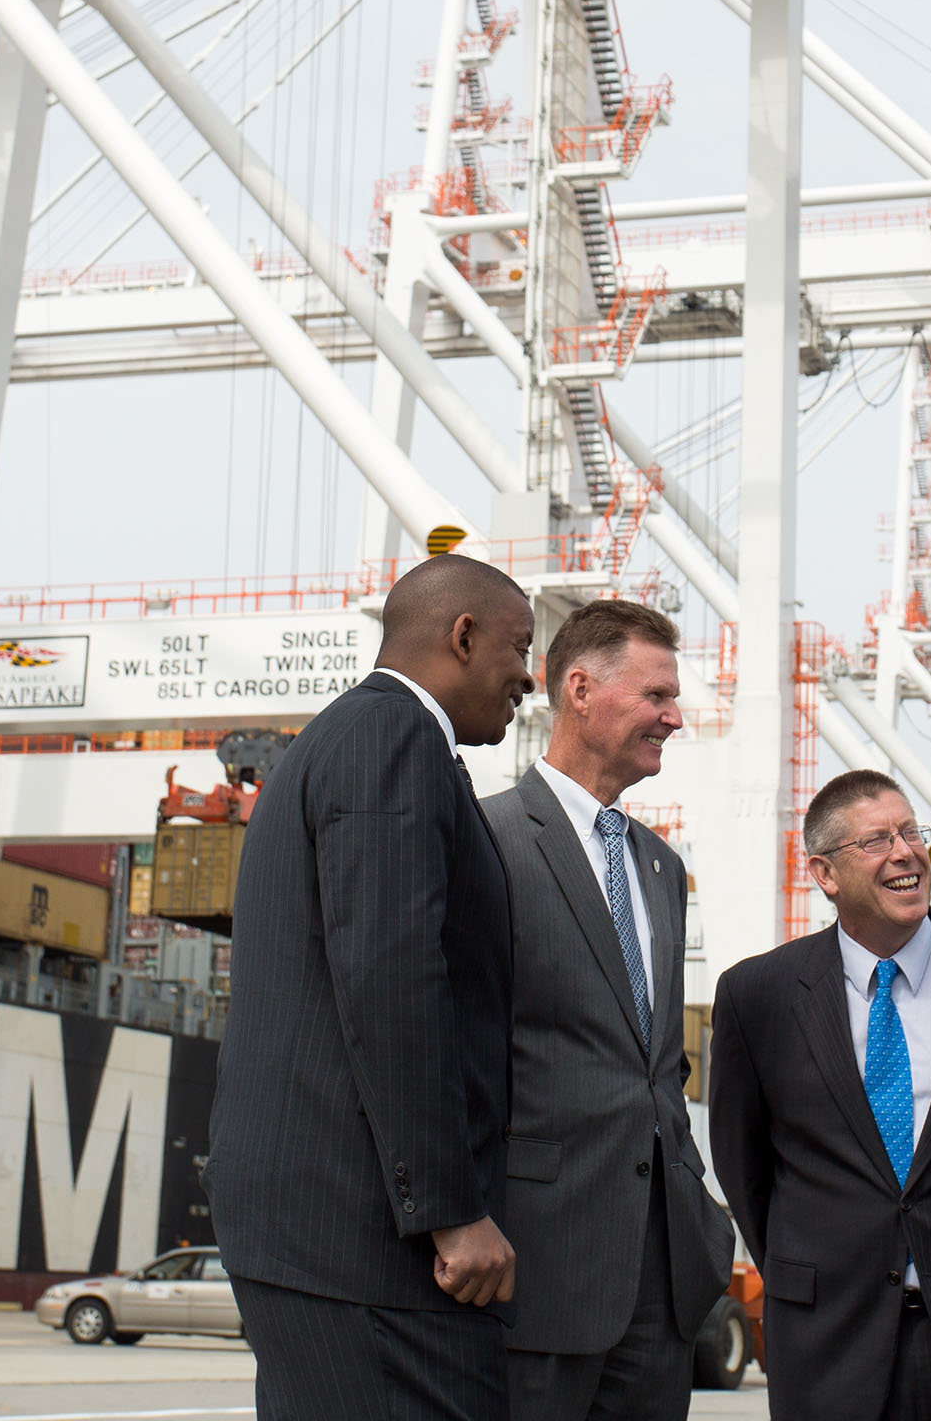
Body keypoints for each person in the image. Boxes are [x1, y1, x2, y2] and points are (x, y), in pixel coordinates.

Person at [207, 553, 535, 1421]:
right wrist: (449, 1210)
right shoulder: (392, 738)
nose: (527, 678)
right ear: (461, 636)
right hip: (367, 1245)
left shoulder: (348, 739)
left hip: (326, 1237)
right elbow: (392, 977)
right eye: (519, 646)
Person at [708, 770, 931, 1421]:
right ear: (825, 874)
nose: (907, 853)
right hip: (829, 1344)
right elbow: (748, 1173)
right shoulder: (757, 997)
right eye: (877, 841)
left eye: (912, 833)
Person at [480, 600, 734, 1421]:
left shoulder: (660, 867)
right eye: (658, 694)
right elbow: (449, 1052)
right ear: (581, 690)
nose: (674, 715)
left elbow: (658, 1065)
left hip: (660, 1284)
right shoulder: (486, 838)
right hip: (535, 1270)